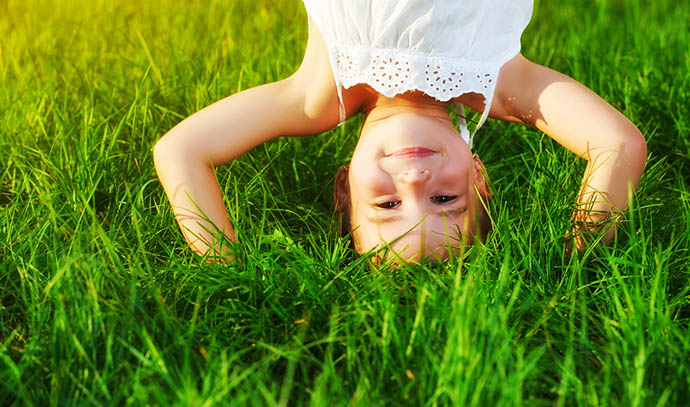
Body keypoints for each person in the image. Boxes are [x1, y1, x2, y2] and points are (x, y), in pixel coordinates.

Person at [153, 0, 646, 263]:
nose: (412, 181)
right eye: (446, 200)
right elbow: (619, 145)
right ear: (479, 176)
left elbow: (180, 151)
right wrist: (575, 258)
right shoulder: (504, 86)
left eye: (386, 207)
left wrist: (227, 268)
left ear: (345, 186)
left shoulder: (315, 98)